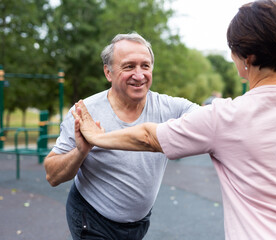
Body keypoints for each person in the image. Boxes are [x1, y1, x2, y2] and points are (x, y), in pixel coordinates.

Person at [73, 0, 276, 239]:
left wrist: (97, 137)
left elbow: (149, 136)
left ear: (245, 57)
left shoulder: (224, 117)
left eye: (232, 49)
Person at [43, 33, 198, 239]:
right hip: (92, 219)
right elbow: (52, 176)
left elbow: (213, 118)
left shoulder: (169, 107)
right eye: (129, 66)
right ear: (108, 72)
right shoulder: (85, 113)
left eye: (145, 65)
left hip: (139, 223)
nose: (139, 74)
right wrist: (81, 151)